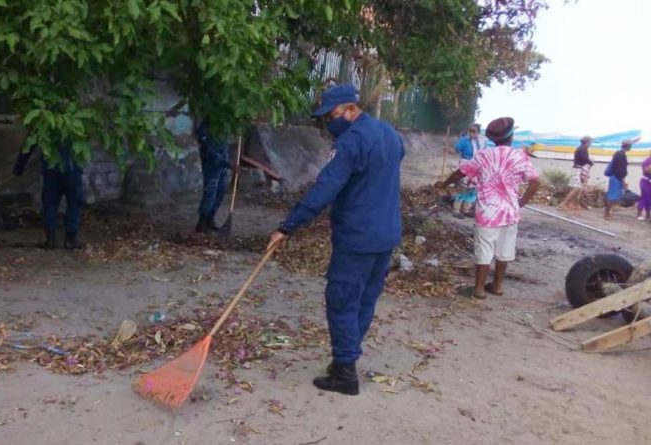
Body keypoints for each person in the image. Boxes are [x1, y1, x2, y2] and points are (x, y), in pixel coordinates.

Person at [266, 84, 404, 396]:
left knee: (342, 300)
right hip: (386, 233)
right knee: (365, 298)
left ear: (350, 109)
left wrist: (287, 227)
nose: (329, 123)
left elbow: (325, 188)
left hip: (358, 235)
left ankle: (344, 372)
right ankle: (347, 356)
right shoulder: (390, 134)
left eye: (331, 115)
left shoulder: (351, 141)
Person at [435, 117, 540, 299]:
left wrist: (444, 184)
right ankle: (497, 286)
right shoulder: (519, 156)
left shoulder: (484, 155)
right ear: (511, 136)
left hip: (487, 213)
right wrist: (522, 201)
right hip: (509, 212)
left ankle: (479, 289)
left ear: (492, 138)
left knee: (484, 249)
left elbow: (461, 172)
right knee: (505, 250)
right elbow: (535, 181)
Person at [13, 141, 85, 249]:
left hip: (51, 165)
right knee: (74, 201)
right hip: (71, 166)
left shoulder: (44, 124)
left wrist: (20, 164)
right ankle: (70, 239)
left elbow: (30, 142)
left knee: (50, 201)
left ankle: (50, 239)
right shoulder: (80, 124)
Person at [195, 120, 237, 233]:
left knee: (221, 191)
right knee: (210, 193)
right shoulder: (207, 126)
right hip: (212, 165)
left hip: (222, 163)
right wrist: (228, 164)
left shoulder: (225, 125)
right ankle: (202, 222)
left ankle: (210, 219)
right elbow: (208, 151)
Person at [451, 124, 487, 217]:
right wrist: (448, 150)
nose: (471, 133)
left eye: (474, 131)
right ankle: (456, 210)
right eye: (470, 130)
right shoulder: (464, 140)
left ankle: (466, 209)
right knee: (462, 187)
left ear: (478, 132)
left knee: (472, 188)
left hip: (477, 166)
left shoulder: (482, 141)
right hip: (466, 164)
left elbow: (484, 153)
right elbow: (456, 150)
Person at [560, 136, 594, 211]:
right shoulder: (583, 149)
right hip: (579, 169)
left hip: (576, 168)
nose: (591, 144)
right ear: (588, 142)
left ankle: (574, 204)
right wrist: (591, 162)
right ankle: (564, 204)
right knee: (577, 187)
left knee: (575, 187)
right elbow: (585, 159)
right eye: (591, 142)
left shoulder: (580, 148)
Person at [604, 139, 631, 220]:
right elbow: (620, 170)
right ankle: (606, 214)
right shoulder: (621, 155)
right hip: (617, 177)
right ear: (628, 146)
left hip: (615, 177)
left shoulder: (618, 153)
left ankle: (608, 212)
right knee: (612, 197)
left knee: (613, 196)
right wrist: (623, 181)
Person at [637, 154, 651, 221]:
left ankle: (648, 215)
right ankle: (639, 214)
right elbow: (647, 170)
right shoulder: (647, 161)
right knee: (644, 198)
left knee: (648, 199)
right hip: (646, 182)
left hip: (647, 182)